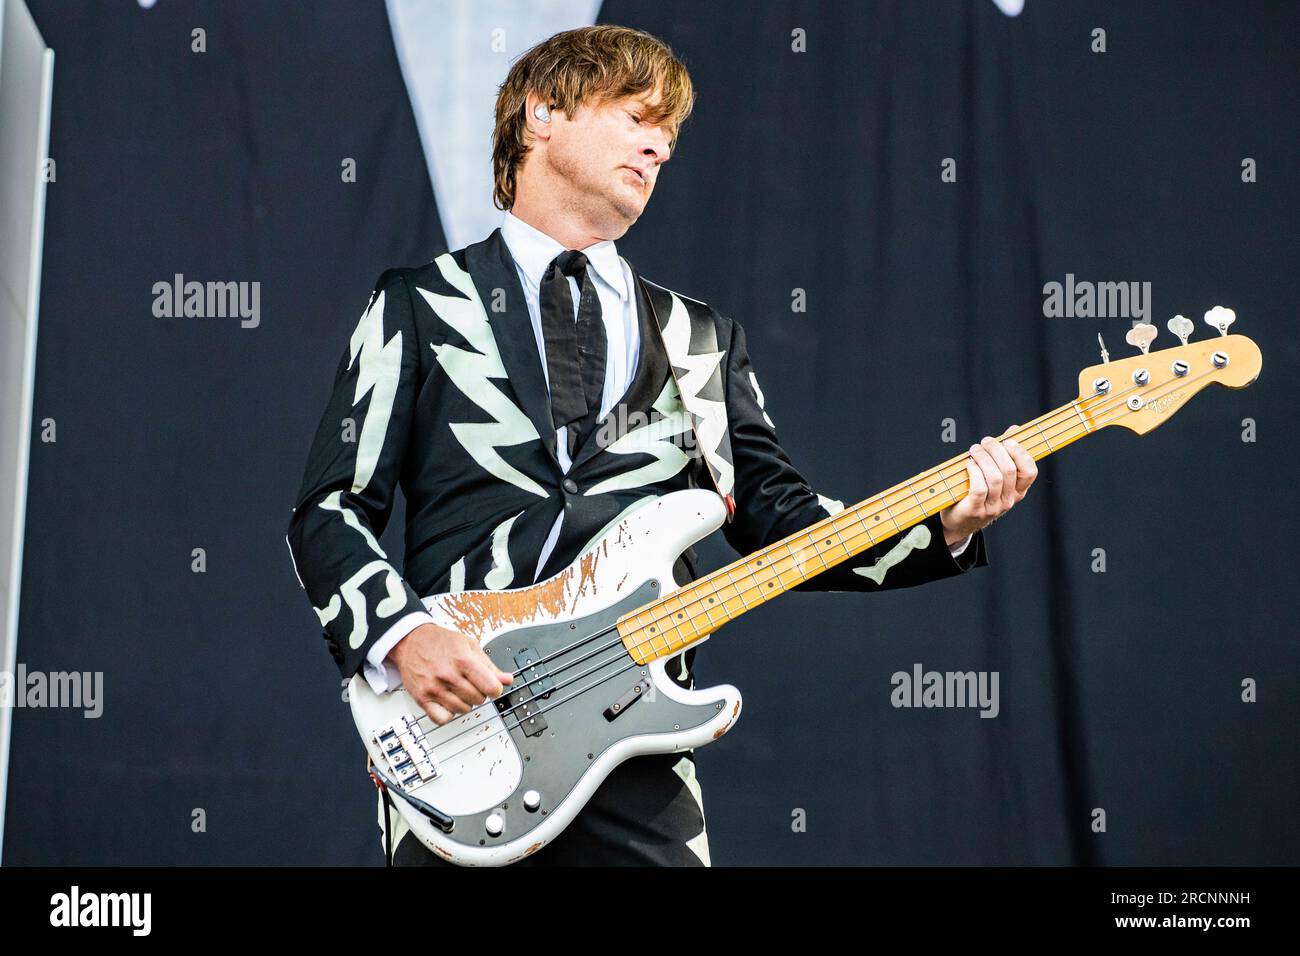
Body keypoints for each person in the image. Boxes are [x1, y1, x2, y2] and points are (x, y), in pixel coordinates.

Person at [285, 24, 1036, 867]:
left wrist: (946, 523)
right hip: (459, 739)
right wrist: (399, 637)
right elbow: (329, 508)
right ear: (542, 114)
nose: (658, 146)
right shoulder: (420, 305)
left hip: (636, 750)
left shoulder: (700, 339)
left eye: (669, 137)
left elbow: (781, 525)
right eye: (638, 116)